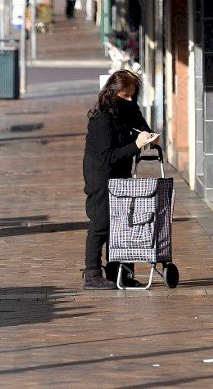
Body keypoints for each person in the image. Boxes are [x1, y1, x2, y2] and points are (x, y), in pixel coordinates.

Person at [81, 70, 158, 290]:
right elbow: (107, 155)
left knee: (123, 221)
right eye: (124, 96)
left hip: (122, 170)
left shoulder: (131, 109)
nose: (129, 101)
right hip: (100, 172)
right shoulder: (101, 119)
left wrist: (150, 137)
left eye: (133, 96)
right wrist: (135, 146)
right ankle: (92, 273)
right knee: (101, 221)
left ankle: (121, 272)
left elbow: (142, 127)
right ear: (113, 93)